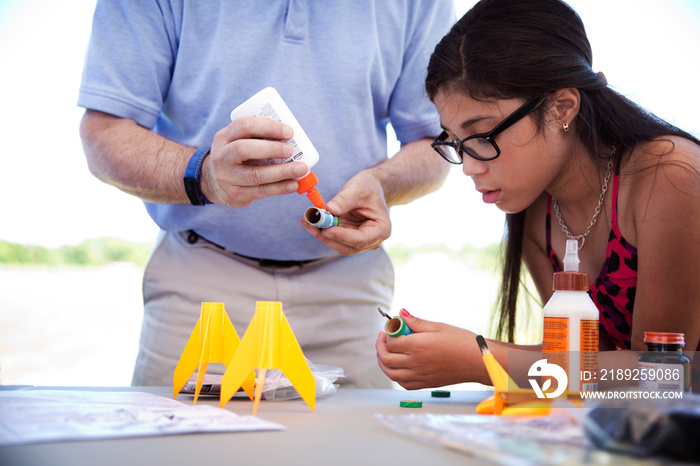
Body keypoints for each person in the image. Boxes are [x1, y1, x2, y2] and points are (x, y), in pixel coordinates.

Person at [78, 1, 456, 388]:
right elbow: (104, 134)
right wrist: (205, 174)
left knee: (354, 445)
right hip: (200, 287)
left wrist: (381, 182)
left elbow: (435, 143)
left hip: (349, 287)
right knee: (181, 445)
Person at [376, 0, 700, 390]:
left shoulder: (670, 175)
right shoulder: (538, 215)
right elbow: (586, 366)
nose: (470, 166)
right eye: (456, 142)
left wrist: (481, 359)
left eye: (481, 136)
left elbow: (661, 373)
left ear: (562, 107)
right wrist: (461, 352)